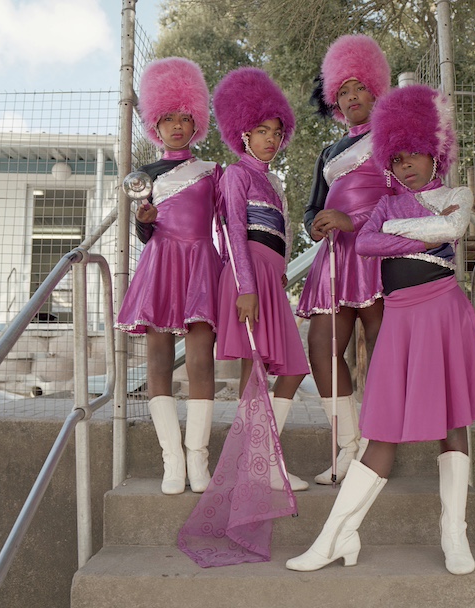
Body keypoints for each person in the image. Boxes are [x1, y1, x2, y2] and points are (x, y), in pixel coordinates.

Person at [286, 84, 475, 575]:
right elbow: (366, 247)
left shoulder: (456, 194)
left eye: (415, 156)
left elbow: (452, 229)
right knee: (381, 430)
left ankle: (454, 535)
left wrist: (398, 230)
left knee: (451, 424)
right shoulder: (385, 205)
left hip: (444, 311)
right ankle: (334, 538)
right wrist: (411, 225)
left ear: (435, 153)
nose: (406, 167)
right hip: (400, 317)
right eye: (396, 159)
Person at [115, 58, 223, 495]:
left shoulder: (213, 171)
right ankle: (172, 460)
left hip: (201, 263)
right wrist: (144, 221)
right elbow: (145, 234)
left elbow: (225, 224)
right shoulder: (144, 177)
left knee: (201, 361)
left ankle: (198, 458)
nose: (177, 126)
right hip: (160, 264)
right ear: (154, 126)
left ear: (196, 122)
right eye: (167, 119)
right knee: (158, 361)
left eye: (185, 118)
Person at [296, 35, 394, 484]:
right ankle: (347, 448)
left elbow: (411, 196)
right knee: (321, 348)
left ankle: (378, 451)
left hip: (377, 250)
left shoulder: (394, 137)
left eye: (358, 87)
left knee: (382, 350)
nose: (352, 97)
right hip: (333, 259)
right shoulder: (328, 152)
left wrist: (355, 220)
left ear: (376, 88)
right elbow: (313, 208)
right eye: (343, 92)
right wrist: (315, 224)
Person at [213, 67, 311, 491]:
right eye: (260, 130)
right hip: (247, 277)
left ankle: (261, 456)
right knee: (253, 372)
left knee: (291, 368)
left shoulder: (273, 182)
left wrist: (283, 268)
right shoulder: (236, 174)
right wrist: (248, 289)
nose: (270, 138)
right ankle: (261, 464)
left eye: (276, 130)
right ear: (243, 135)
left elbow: (281, 230)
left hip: (271, 278)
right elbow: (234, 231)